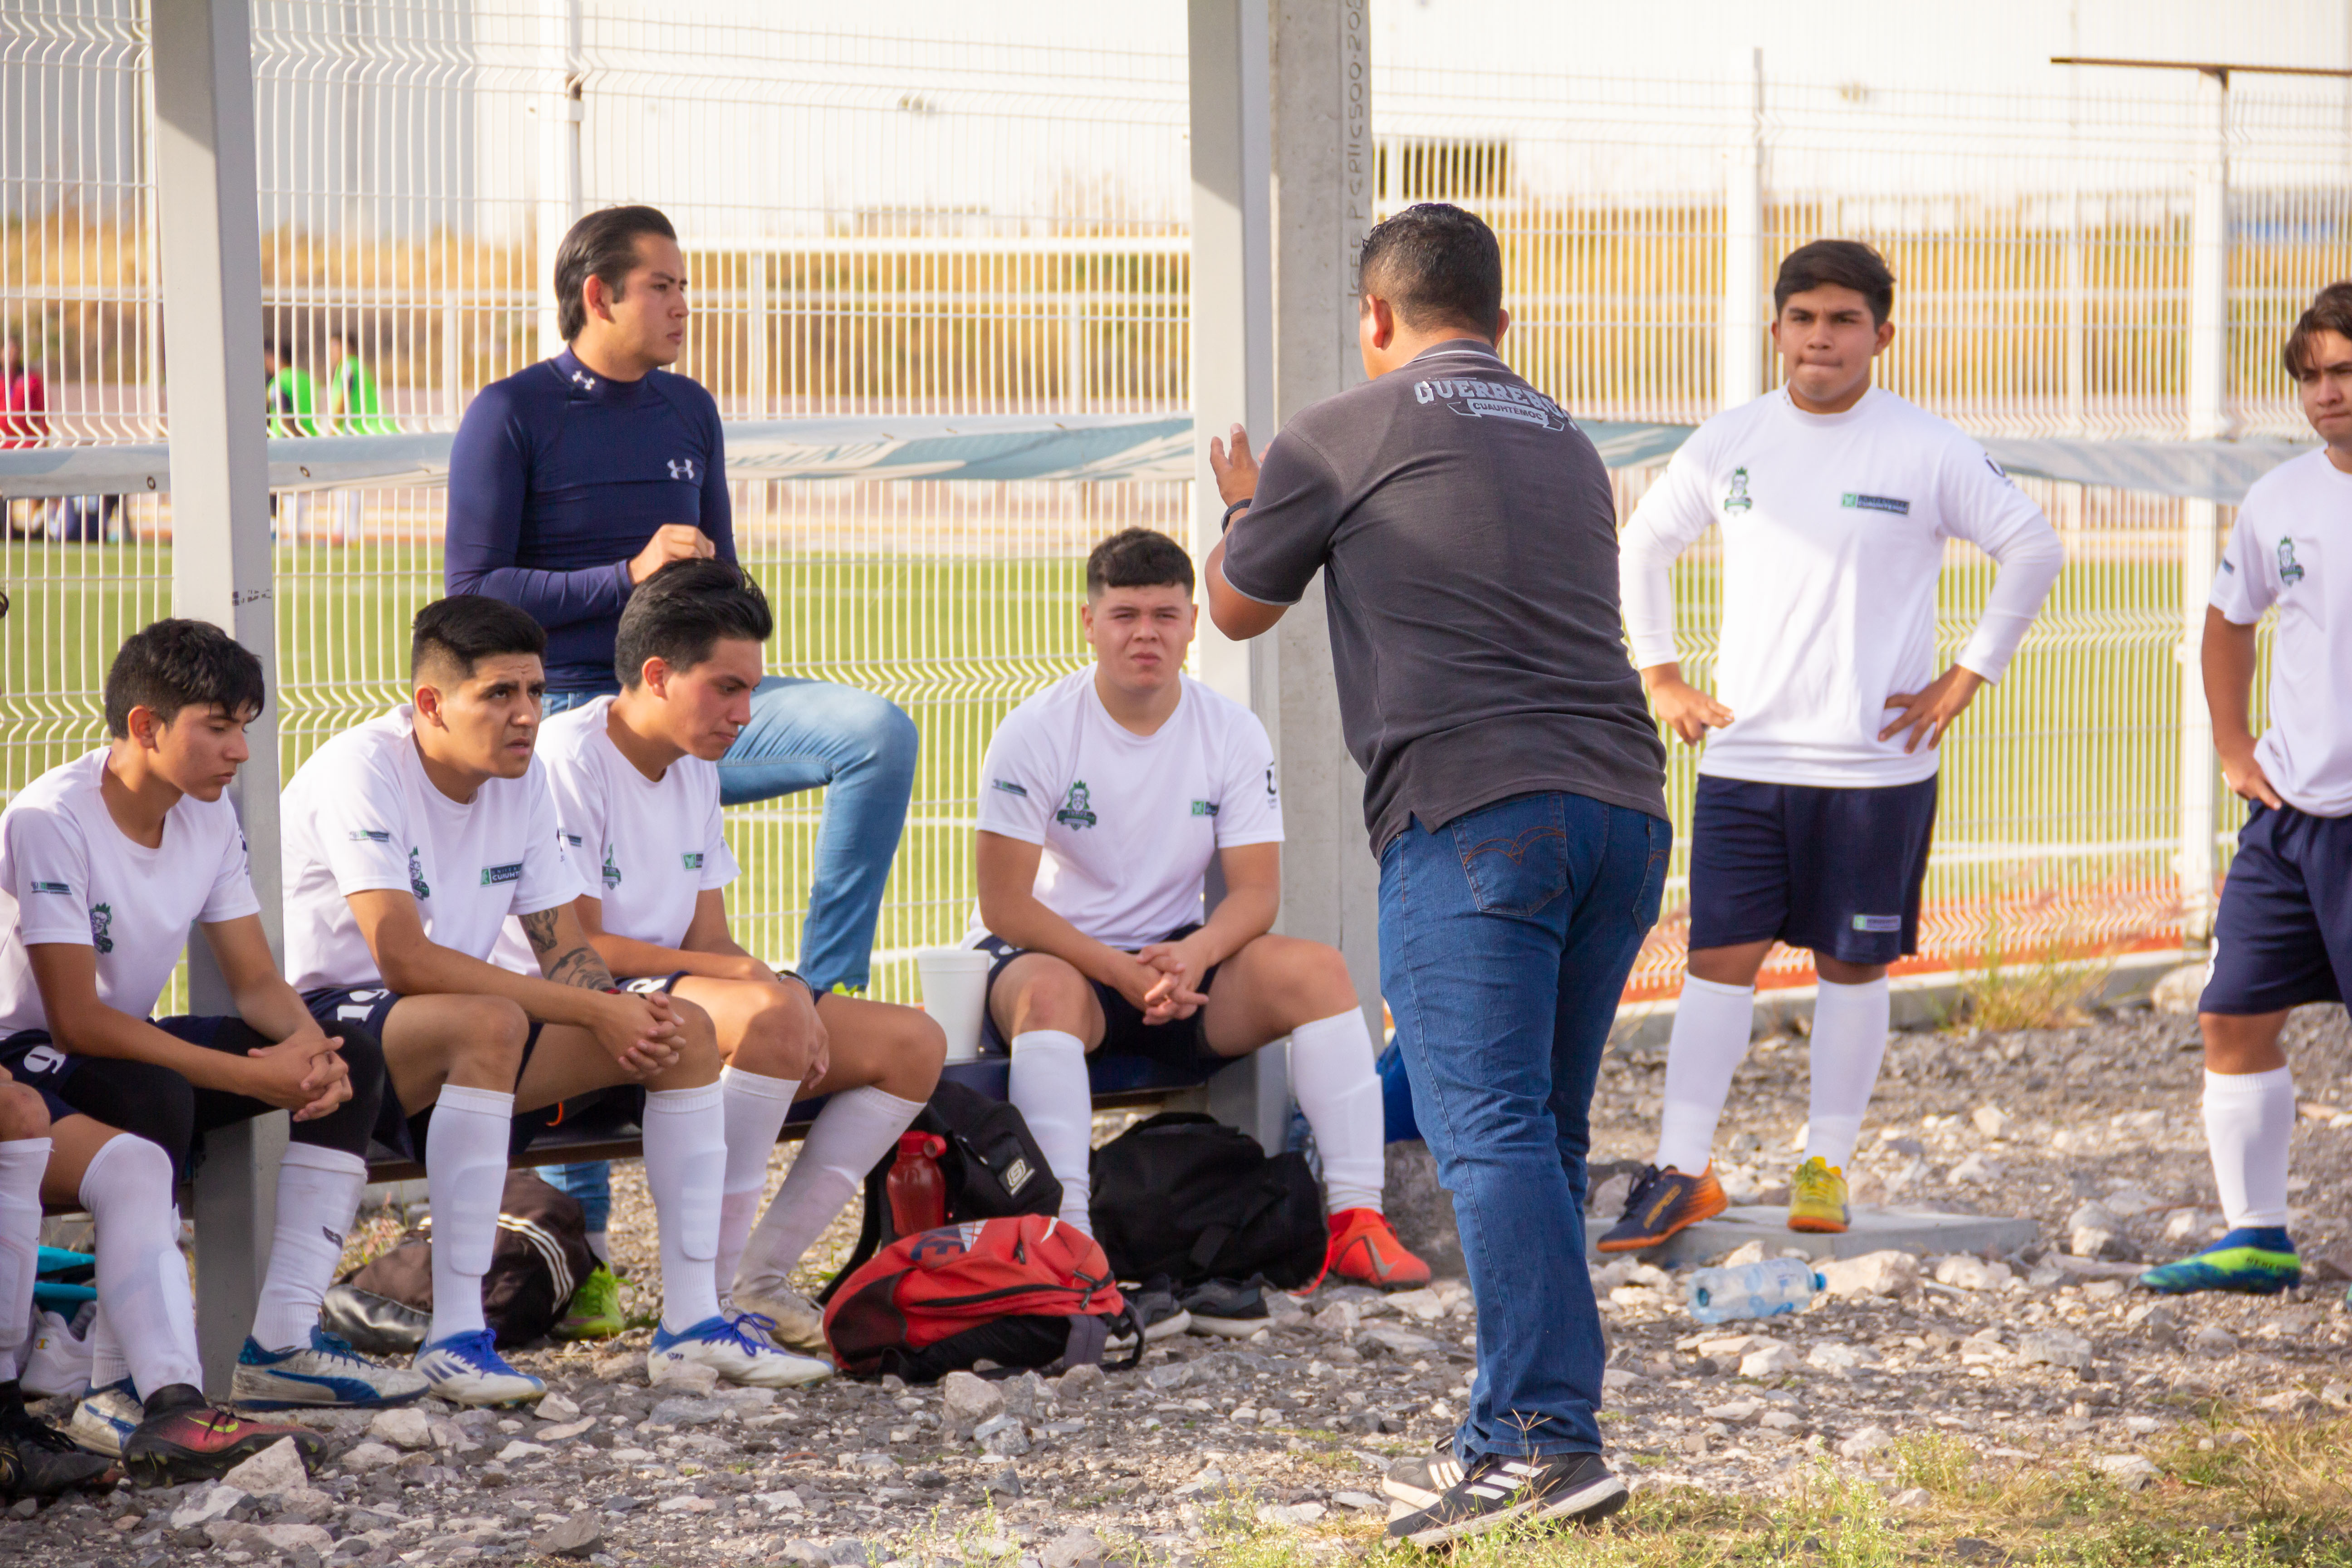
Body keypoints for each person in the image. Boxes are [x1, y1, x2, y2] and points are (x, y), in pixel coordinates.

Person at [1204, 203, 1667, 1545]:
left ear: (1375, 319)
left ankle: (1537, 1443)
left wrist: (1248, 501)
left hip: (1474, 815)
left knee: (1492, 1134)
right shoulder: (1568, 438)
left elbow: (1237, 604)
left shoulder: (1341, 430)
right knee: (1546, 1132)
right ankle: (1531, 1433)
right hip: (1624, 811)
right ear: (1503, 323)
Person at [444, 204, 919, 1286]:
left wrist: (705, 615)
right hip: (568, 697)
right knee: (584, 931)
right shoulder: (509, 413)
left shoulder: (689, 408)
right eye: (661, 285)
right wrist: (625, 573)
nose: (682, 305)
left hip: (681, 691)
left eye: (683, 284)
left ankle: (818, 991)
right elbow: (468, 595)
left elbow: (718, 590)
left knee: (875, 732)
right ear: (597, 293)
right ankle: (588, 1246)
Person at [1598, 240, 2064, 1252]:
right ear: (1777, 329)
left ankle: (1827, 1166)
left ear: (1882, 335)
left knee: (1852, 966)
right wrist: (1663, 672)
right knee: (1719, 958)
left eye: (1845, 320)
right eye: (1804, 317)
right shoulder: (1730, 440)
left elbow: (2033, 545)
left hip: (1873, 767)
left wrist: (1968, 673)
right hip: (1747, 760)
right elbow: (1643, 543)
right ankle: (1682, 1170)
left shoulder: (1927, 447)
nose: (1822, 337)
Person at [280, 595, 830, 1402]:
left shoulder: (522, 779)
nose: (526, 715)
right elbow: (400, 956)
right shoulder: (361, 768)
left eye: (535, 693)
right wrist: (590, 1008)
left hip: (472, 1032)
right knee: (497, 1020)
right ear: (430, 704)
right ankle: (456, 1334)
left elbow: (561, 946)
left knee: (682, 1029)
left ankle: (690, 1325)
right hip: (337, 1028)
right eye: (499, 694)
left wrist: (615, 1006)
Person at [974, 528, 1422, 1292]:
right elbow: (1004, 903)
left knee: (1316, 971)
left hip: (1176, 969)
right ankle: (1070, 1242)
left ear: (1190, 623)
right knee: (1046, 991)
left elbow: (1255, 892)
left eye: (1163, 614)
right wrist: (1115, 968)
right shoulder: (1035, 730)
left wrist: (1196, 954)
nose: (1144, 633)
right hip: (1060, 966)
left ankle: (1353, 1219)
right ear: (1088, 623)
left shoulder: (1230, 730)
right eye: (1123, 615)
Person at [517, 559, 944, 1350]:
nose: (746, 712)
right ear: (656, 674)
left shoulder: (695, 767)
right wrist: (763, 987)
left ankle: (756, 1281)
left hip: (678, 996)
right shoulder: (568, 760)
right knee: (769, 1011)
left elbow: (707, 942)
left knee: (914, 1044)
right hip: (574, 1016)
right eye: (727, 687)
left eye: (751, 689)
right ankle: (702, 1313)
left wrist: (780, 984)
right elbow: (581, 946)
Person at [0, 620, 387, 1480]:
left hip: (115, 1048)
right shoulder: (50, 817)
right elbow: (73, 1022)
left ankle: (281, 1341)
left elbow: (254, 979)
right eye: (219, 725)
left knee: (351, 1053)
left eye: (244, 725)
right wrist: (260, 1075)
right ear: (146, 726)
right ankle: (121, 1387)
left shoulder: (206, 816)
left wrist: (307, 1052)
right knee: (157, 1093)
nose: (240, 751)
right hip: (27, 1052)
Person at [2142, 281, 2352, 1299]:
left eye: (2343, 370)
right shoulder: (2280, 497)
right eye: (2311, 376)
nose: (2325, 394)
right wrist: (2235, 749)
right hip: (2288, 819)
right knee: (2232, 1017)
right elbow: (2229, 623)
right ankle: (2257, 1236)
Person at [320, 328, 395, 546]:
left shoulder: (348, 368)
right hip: (360, 429)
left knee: (345, 484)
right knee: (350, 485)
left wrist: (332, 428)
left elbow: (342, 399)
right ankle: (347, 532)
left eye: (336, 347)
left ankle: (343, 533)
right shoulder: (356, 367)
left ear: (347, 347)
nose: (333, 352)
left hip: (354, 430)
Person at [2, 334, 60, 540]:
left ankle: (35, 526)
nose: (11, 355)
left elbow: (43, 411)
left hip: (25, 442)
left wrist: (42, 438)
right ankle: (5, 525)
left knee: (38, 482)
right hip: (2, 443)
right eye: (7, 350)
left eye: (14, 350)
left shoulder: (31, 380)